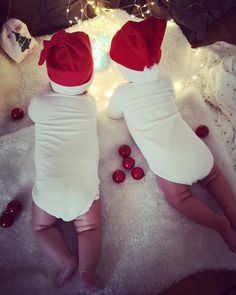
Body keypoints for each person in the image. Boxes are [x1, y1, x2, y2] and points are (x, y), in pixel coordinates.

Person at [107, 16, 236, 252]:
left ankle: (218, 224)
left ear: (122, 68)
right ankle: (231, 211)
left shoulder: (122, 94)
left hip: (170, 167)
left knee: (181, 198)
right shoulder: (165, 82)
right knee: (214, 176)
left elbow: (113, 114)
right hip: (196, 151)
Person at [28, 30, 103, 292]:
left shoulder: (39, 101)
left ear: (50, 77)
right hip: (83, 191)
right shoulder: (90, 105)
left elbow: (33, 115)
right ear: (89, 80)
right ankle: (87, 273)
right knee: (89, 227)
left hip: (49, 192)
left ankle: (66, 261)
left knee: (40, 227)